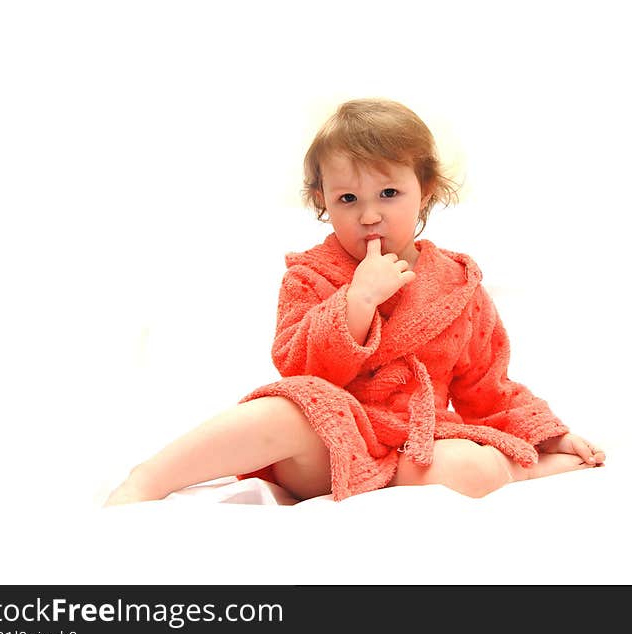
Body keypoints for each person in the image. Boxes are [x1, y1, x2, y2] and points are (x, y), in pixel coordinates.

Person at [104, 98, 605, 506]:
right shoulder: (311, 274)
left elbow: (487, 386)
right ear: (322, 199)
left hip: (412, 452)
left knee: (476, 465)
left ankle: (529, 467)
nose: (369, 216)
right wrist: (356, 302)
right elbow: (297, 368)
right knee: (284, 409)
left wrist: (545, 433)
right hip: (328, 445)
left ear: (425, 190)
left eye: (389, 193)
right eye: (348, 199)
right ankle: (149, 479)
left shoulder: (457, 285)